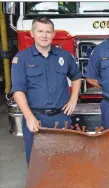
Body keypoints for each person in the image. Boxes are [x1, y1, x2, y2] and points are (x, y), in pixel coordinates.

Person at [11, 16, 82, 166]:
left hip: (61, 118)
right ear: (32, 33)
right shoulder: (21, 59)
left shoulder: (64, 56)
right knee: (38, 164)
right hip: (36, 119)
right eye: (40, 31)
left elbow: (76, 77)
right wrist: (29, 117)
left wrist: (73, 98)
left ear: (53, 34)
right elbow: (18, 90)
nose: (44, 35)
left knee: (63, 161)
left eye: (48, 32)